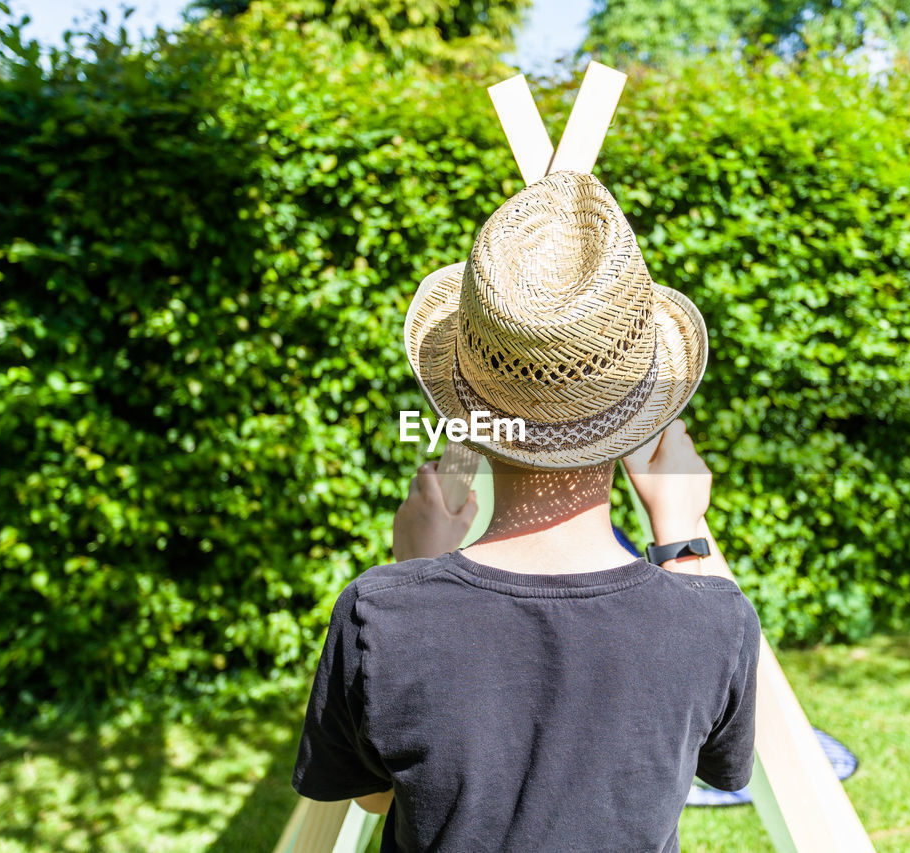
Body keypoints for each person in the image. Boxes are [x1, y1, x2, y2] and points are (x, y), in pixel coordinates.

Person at [291, 170, 761, 852]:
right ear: (643, 421)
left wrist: (416, 571)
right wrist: (682, 535)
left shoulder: (378, 609)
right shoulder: (713, 619)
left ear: (468, 414)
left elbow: (373, 792)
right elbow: (720, 766)